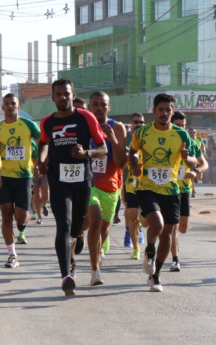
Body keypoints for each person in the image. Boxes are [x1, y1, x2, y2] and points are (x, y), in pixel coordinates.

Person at [38, 78, 107, 296]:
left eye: (66, 93)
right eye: (58, 94)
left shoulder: (85, 117)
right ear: (53, 97)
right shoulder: (47, 122)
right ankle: (66, 275)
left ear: (72, 94)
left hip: (82, 181)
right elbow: (43, 142)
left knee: (77, 229)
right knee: (63, 225)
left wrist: (86, 153)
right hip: (58, 181)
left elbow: (103, 148)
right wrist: (41, 160)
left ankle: (77, 238)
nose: (63, 97)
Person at [130, 93, 198, 292]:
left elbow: (195, 162)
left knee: (168, 235)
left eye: (168, 110)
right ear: (154, 111)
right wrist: (135, 164)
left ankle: (155, 275)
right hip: (147, 187)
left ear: (172, 111)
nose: (164, 113)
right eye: (161, 109)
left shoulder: (181, 134)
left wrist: (188, 159)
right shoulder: (142, 132)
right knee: (157, 225)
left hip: (171, 190)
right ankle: (149, 247)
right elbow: (133, 151)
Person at [0, 93, 40, 268]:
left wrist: (41, 161)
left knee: (20, 217)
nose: (10, 106)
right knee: (6, 214)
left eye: (13, 103)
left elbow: (41, 140)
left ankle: (21, 227)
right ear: (2, 107)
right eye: (7, 103)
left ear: (19, 107)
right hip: (5, 176)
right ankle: (12, 254)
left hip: (24, 176)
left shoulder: (28, 125)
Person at [84, 91, 127, 285]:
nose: (99, 108)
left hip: (110, 185)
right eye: (95, 104)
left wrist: (114, 141)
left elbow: (121, 163)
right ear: (89, 106)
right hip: (88, 183)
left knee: (104, 228)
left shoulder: (117, 128)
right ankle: (95, 271)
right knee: (95, 220)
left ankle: (96, 243)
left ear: (109, 107)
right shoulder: (83, 126)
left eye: (103, 104)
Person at [168, 113, 204, 272]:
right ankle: (175, 259)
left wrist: (196, 170)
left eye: (183, 125)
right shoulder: (165, 140)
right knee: (172, 228)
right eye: (177, 125)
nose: (181, 129)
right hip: (167, 189)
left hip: (185, 189)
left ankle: (174, 241)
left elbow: (204, 164)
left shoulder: (191, 143)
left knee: (182, 228)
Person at [124, 112, 146, 251]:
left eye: (141, 122)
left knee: (142, 211)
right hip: (126, 177)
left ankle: (139, 228)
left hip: (144, 181)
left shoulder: (146, 137)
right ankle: (129, 232)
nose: (139, 124)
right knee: (129, 209)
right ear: (131, 122)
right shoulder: (125, 138)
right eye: (136, 122)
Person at [188, 128, 206, 198]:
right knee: (192, 177)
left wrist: (204, 153)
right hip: (191, 160)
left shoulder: (199, 139)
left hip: (199, 160)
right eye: (191, 132)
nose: (192, 133)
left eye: (193, 132)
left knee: (199, 177)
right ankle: (193, 191)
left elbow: (203, 148)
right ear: (189, 133)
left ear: (196, 132)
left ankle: (198, 175)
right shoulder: (187, 139)